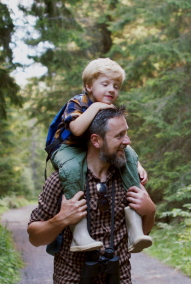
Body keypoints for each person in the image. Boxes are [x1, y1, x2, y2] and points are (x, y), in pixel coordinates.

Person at [28, 107, 157, 284]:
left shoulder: (128, 178)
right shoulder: (62, 181)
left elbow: (141, 238)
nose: (127, 141)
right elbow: (34, 236)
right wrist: (60, 220)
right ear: (96, 140)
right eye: (119, 136)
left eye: (126, 133)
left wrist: (150, 210)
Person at [49, 58, 151, 253]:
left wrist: (136, 163)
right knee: (71, 170)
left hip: (89, 147)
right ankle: (79, 231)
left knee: (128, 157)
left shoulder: (108, 109)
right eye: (105, 84)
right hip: (67, 148)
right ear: (89, 86)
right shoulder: (78, 103)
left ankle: (135, 226)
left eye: (116, 86)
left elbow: (119, 138)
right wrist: (95, 107)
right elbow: (77, 130)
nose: (112, 90)